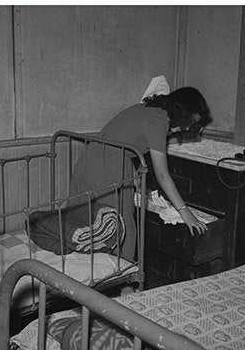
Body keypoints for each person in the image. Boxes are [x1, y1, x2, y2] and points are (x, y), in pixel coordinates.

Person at [69, 87, 212, 261]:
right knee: (121, 229)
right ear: (183, 113)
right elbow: (162, 175)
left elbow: (125, 140)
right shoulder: (158, 122)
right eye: (191, 121)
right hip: (108, 169)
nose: (189, 127)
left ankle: (83, 279)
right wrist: (185, 213)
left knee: (88, 222)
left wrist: (135, 175)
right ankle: (124, 284)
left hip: (88, 161)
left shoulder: (145, 109)